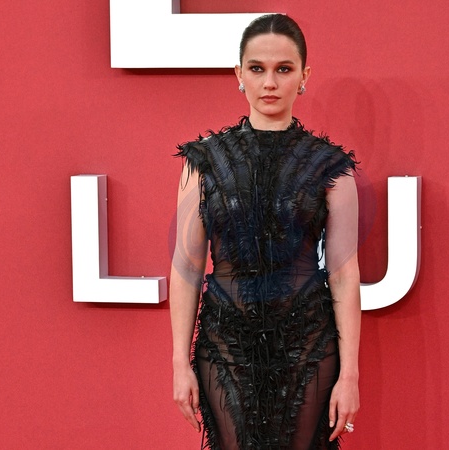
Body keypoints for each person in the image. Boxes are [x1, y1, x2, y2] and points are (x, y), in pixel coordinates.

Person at [170, 14, 361, 449]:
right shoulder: (203, 162)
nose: (269, 82)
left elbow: (344, 274)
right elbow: (186, 267)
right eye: (257, 68)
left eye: (283, 69)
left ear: (304, 76)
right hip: (225, 346)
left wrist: (349, 374)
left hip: (308, 346)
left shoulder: (331, 167)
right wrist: (179, 363)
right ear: (239, 74)